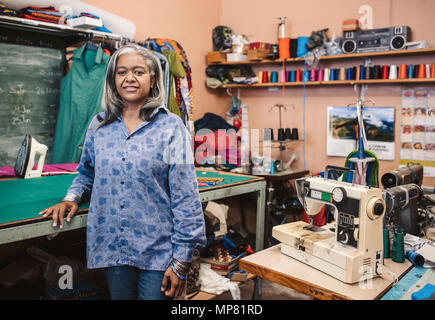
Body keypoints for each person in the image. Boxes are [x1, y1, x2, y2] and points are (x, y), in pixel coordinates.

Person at [39, 44, 206, 300]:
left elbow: (186, 196)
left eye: (138, 71)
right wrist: (71, 198)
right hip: (112, 246)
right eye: (122, 72)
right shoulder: (99, 125)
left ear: (152, 79)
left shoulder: (171, 127)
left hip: (157, 251)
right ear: (113, 79)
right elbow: (87, 173)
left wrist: (182, 260)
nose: (129, 78)